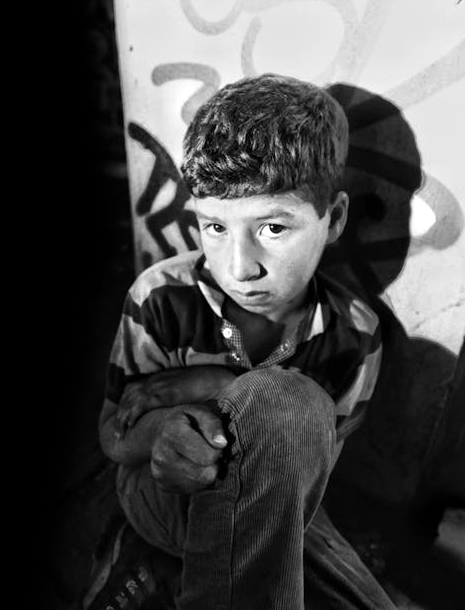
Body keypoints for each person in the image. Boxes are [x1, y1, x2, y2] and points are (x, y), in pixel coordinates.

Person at [98, 74, 396, 609]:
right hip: (160, 501)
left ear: (335, 220)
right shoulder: (159, 298)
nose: (240, 268)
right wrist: (163, 429)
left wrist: (215, 384)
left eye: (273, 229)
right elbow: (115, 440)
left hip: (279, 510)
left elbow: (306, 468)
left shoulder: (356, 338)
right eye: (214, 227)